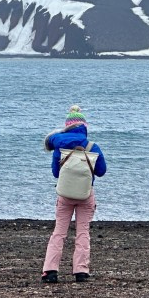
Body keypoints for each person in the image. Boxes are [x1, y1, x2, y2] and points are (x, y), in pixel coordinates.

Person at [41, 105, 107, 284]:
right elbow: (101, 171)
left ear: (67, 127)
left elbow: (56, 173)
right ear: (84, 128)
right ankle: (81, 272)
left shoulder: (59, 148)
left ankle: (50, 271)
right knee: (83, 232)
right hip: (86, 194)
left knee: (59, 232)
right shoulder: (93, 147)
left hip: (65, 194)